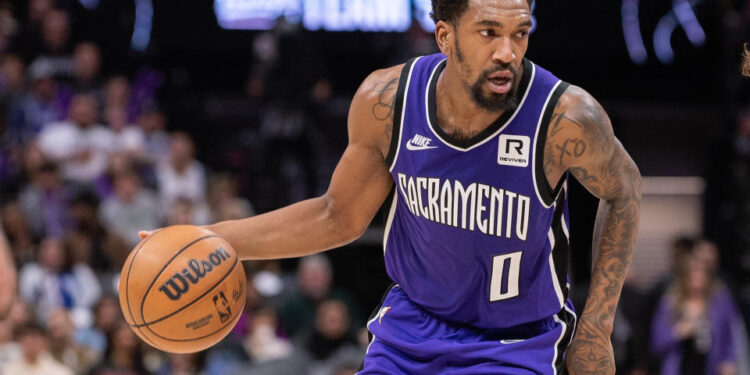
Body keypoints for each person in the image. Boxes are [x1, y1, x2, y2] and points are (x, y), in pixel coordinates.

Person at [141, 0, 641, 373]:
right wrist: (211, 238)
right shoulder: (389, 101)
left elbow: (624, 190)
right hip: (411, 330)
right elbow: (336, 216)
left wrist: (596, 327)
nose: (508, 52)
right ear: (444, 36)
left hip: (515, 343)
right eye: (489, 32)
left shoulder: (566, 118)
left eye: (520, 33)